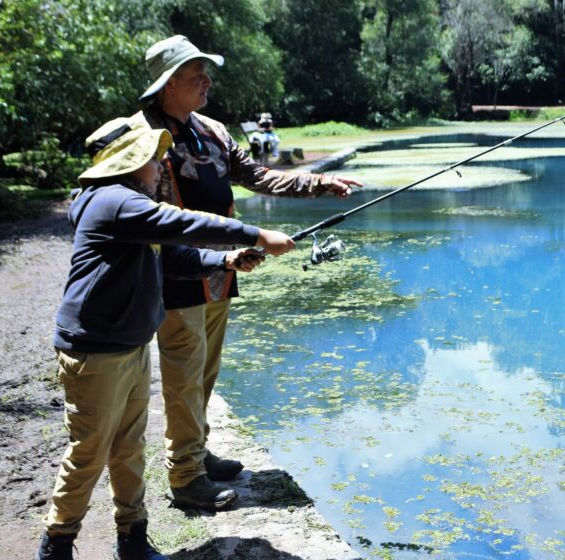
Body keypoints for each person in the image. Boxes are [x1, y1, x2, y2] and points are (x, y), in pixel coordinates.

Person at [37, 118, 295, 560]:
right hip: (95, 351)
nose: (161, 165)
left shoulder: (130, 206)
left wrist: (225, 259)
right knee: (89, 453)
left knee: (129, 447)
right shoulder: (113, 202)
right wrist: (256, 234)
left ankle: (132, 537)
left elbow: (169, 255)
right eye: (154, 158)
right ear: (131, 161)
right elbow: (181, 224)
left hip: (130, 344)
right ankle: (57, 545)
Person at [130, 35, 362, 511]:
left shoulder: (210, 129)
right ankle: (187, 477)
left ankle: (198, 452)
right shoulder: (143, 136)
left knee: (205, 374)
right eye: (197, 76)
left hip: (221, 273)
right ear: (169, 83)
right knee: (183, 378)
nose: (207, 83)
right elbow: (146, 216)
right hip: (176, 279)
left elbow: (258, 175)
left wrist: (319, 183)